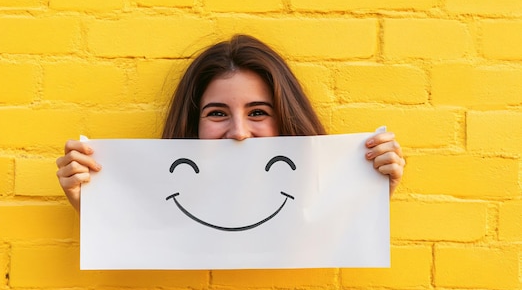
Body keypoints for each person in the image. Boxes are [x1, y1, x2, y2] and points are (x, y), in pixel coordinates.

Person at [56, 34, 405, 212]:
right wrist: (89, 203)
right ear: (192, 125)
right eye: (217, 113)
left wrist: (369, 194)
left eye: (258, 112)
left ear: (285, 119)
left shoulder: (316, 194)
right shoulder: (166, 200)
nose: (239, 132)